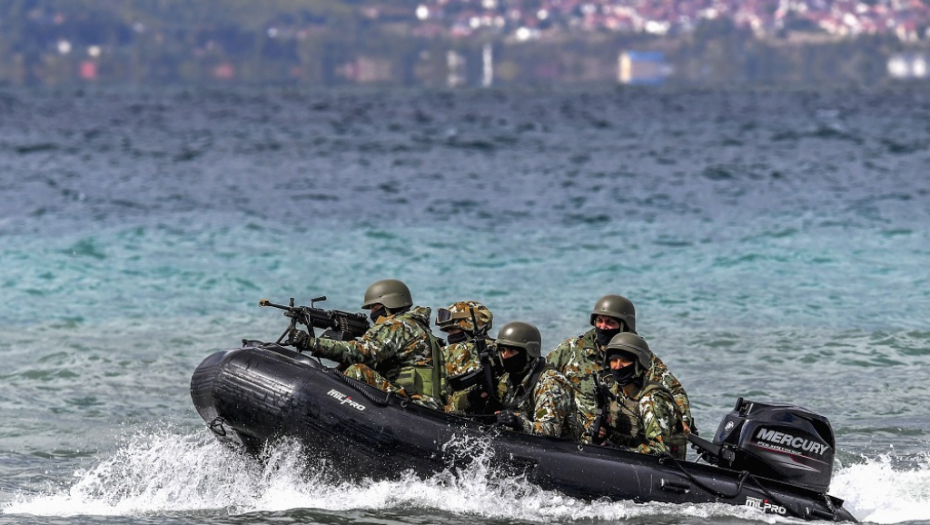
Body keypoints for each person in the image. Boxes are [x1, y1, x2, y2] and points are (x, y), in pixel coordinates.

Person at [546, 294, 694, 439]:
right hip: (578, 430)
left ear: (624, 326)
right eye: (599, 321)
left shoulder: (638, 355)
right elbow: (543, 375)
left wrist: (683, 419)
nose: (603, 327)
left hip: (618, 433)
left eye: (610, 322)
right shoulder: (572, 349)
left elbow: (674, 389)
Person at [289, 279, 444, 408]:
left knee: (358, 371)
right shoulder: (418, 328)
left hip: (414, 404)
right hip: (421, 403)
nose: (372, 313)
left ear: (389, 303)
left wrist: (311, 343)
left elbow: (363, 353)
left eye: (374, 307)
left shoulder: (400, 326)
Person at [593, 332, 687, 459]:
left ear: (638, 364)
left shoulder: (651, 399)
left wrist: (619, 450)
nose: (618, 366)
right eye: (614, 360)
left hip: (659, 469)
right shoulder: (613, 393)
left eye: (625, 361)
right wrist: (602, 434)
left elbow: (660, 450)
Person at [491, 321, 577, 439]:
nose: (505, 356)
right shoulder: (508, 378)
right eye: (502, 350)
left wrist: (519, 422)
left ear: (529, 352)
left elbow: (551, 430)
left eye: (512, 351)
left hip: (560, 450)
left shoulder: (550, 383)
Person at [435, 300, 497, 414]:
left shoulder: (464, 349)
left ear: (469, 327)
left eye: (453, 329)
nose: (450, 335)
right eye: (448, 331)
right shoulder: (497, 347)